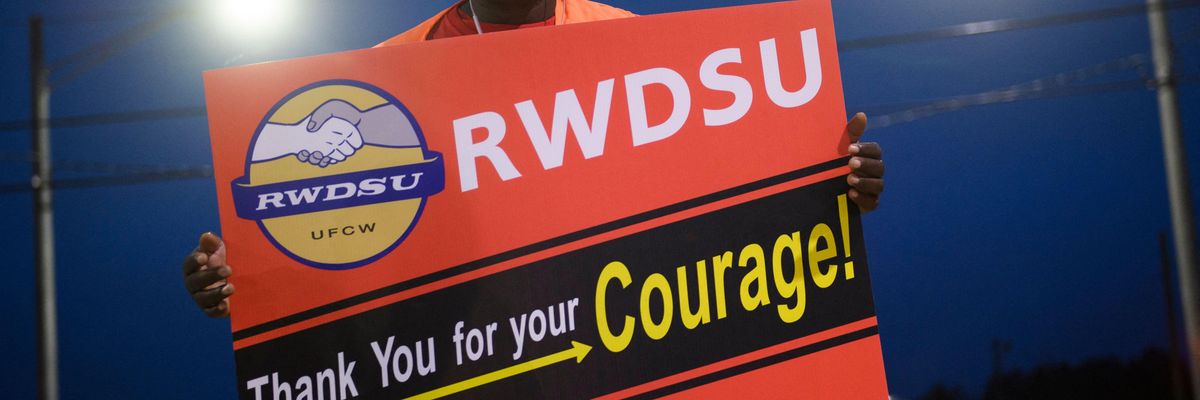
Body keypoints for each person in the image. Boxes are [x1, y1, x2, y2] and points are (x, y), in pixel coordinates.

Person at [182, 0, 886, 318]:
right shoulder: (381, 82)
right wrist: (248, 276)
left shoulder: (631, 47)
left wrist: (821, 182)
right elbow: (333, 247)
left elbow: (723, 201)